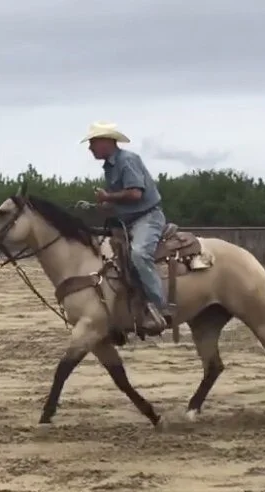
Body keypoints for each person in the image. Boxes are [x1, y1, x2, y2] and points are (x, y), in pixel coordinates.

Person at [80, 121, 168, 335]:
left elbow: (136, 193)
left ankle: (159, 307)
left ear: (106, 142)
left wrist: (107, 197)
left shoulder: (127, 160)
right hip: (127, 221)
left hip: (147, 218)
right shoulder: (111, 166)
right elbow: (122, 200)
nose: (90, 147)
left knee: (139, 254)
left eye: (93, 142)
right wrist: (99, 205)